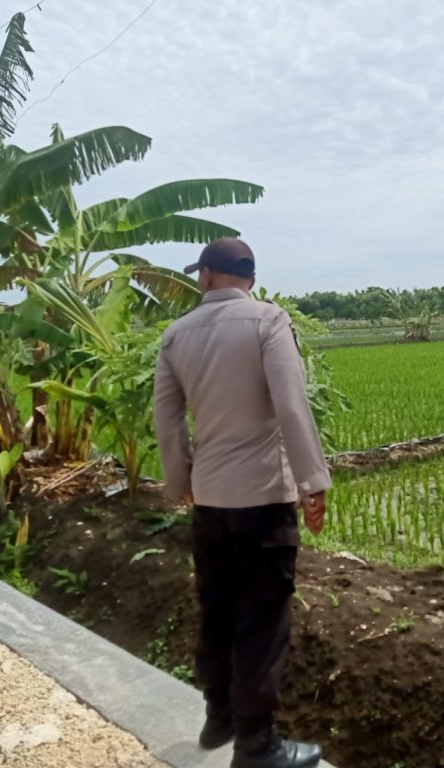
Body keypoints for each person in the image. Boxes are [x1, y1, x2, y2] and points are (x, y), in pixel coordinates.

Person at [154, 237, 329, 768]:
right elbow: (291, 405)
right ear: (249, 278)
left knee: (217, 607)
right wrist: (312, 482)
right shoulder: (268, 322)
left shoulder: (175, 335)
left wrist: (178, 480)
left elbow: (167, 420)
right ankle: (257, 747)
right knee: (260, 618)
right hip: (263, 500)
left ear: (207, 276)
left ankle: (218, 716)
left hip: (210, 499)